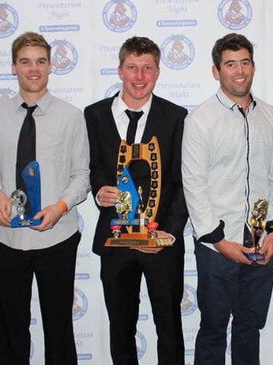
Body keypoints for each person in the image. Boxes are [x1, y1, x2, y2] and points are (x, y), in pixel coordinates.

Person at [0, 32, 90, 365]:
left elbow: (82, 176)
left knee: (59, 327)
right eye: (26, 61)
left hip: (56, 238)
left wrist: (60, 207)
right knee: (12, 327)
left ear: (50, 66)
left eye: (41, 61)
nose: (34, 69)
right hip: (7, 238)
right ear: (14, 66)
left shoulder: (71, 117)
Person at [84, 36, 188, 365]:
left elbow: (184, 181)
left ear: (158, 72)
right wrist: (100, 190)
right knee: (121, 327)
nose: (139, 77)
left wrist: (166, 234)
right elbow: (91, 167)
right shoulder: (94, 115)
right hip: (114, 241)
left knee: (169, 327)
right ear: (119, 70)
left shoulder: (176, 117)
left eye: (147, 68)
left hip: (162, 244)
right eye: (132, 68)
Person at [182, 33, 273, 365]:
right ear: (216, 71)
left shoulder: (270, 117)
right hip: (217, 244)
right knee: (213, 328)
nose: (239, 71)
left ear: (253, 67)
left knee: (249, 327)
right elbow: (194, 185)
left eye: (245, 62)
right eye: (230, 64)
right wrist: (218, 241)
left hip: (260, 240)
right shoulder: (200, 120)